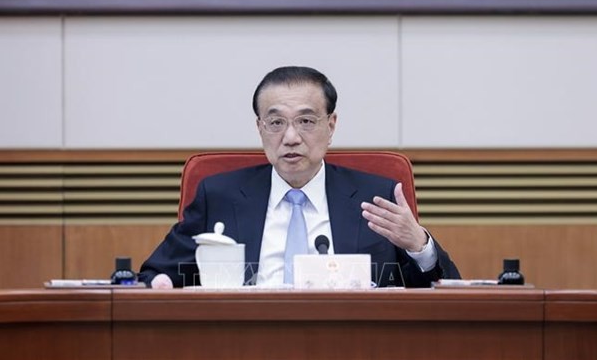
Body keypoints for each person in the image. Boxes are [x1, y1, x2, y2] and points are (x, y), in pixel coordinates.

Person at [139, 66, 460, 288]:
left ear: (330, 126)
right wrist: (160, 283)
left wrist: (420, 246)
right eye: (276, 123)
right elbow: (156, 274)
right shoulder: (219, 196)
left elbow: (439, 292)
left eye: (306, 121)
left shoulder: (376, 198)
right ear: (260, 128)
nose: (291, 137)